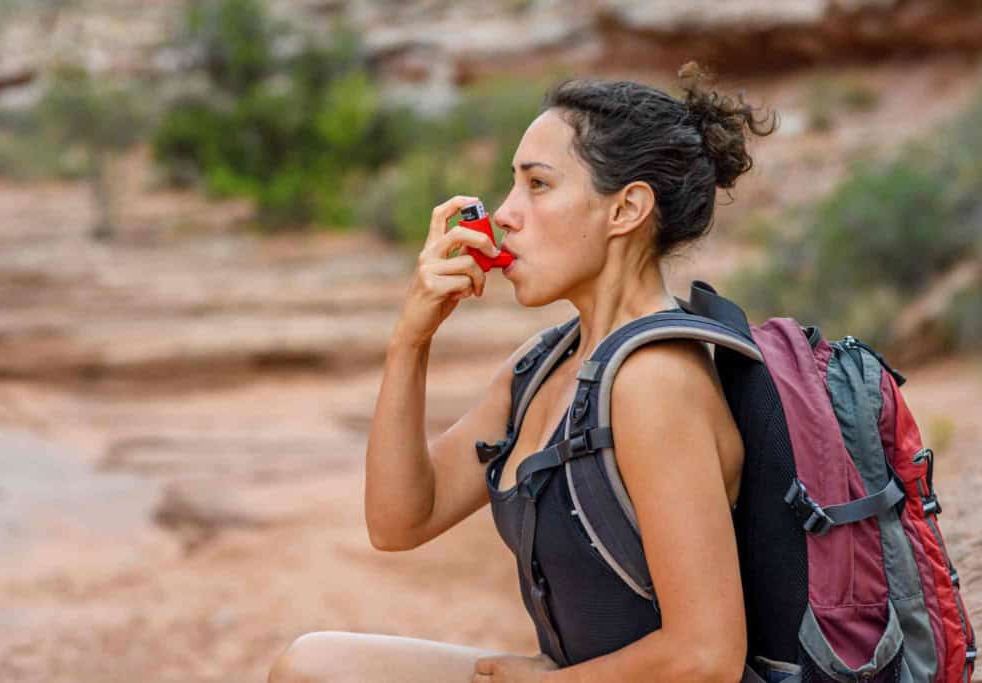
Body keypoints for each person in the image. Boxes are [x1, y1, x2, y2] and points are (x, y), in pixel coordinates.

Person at [269, 62, 778, 683]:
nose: (505, 215)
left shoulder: (655, 381)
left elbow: (706, 656)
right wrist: (412, 337)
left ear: (627, 209)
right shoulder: (541, 365)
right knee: (314, 665)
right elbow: (399, 520)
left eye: (537, 185)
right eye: (513, 186)